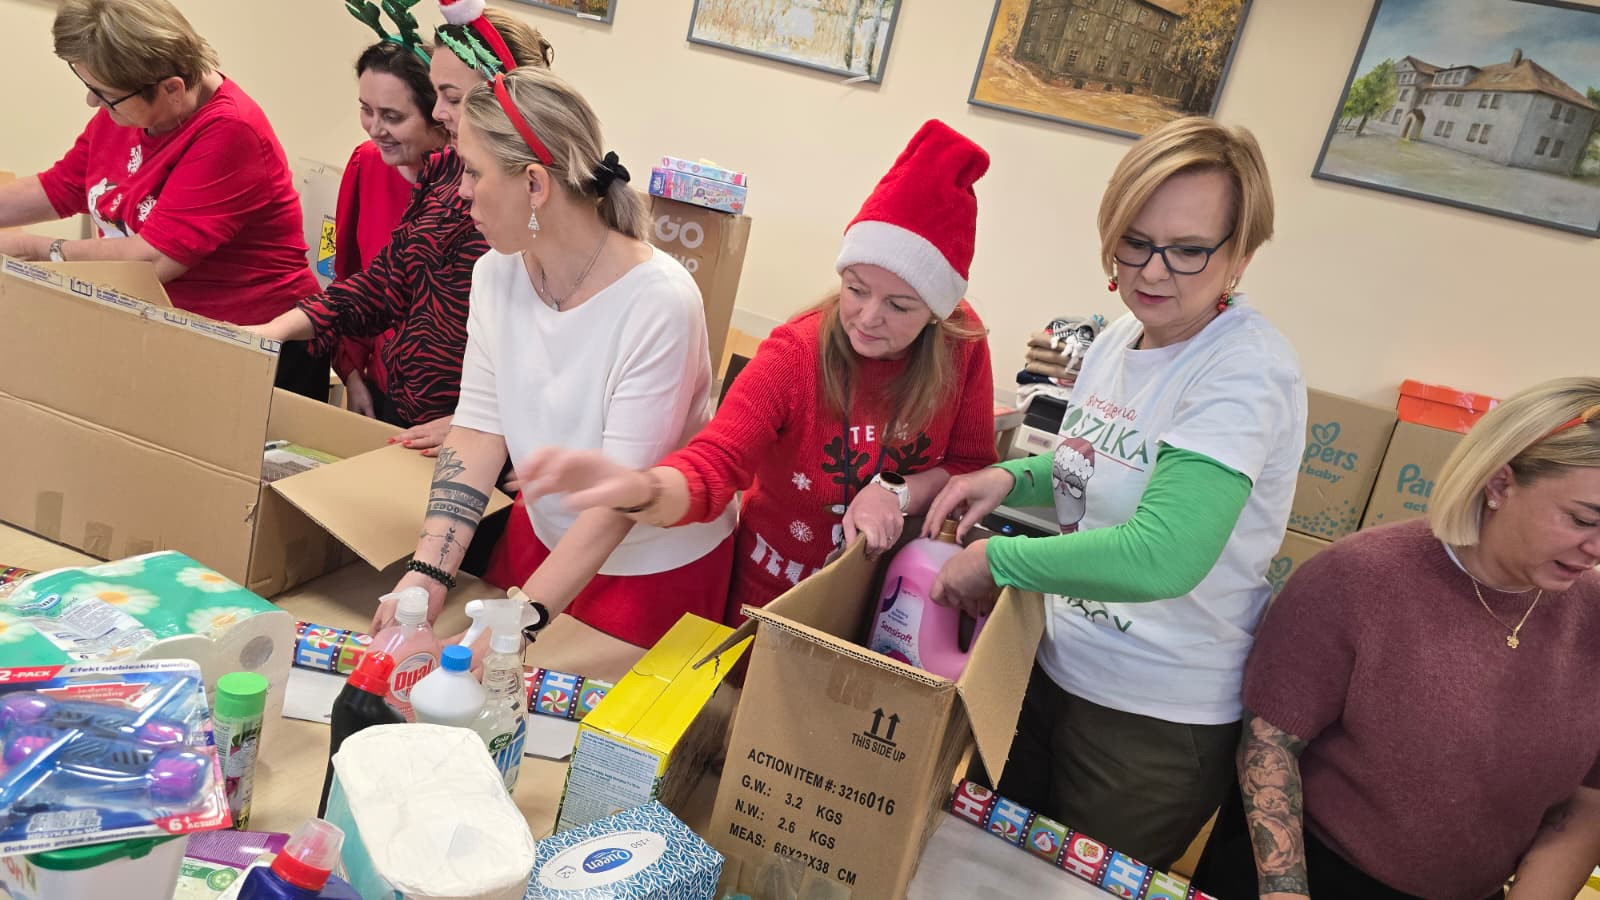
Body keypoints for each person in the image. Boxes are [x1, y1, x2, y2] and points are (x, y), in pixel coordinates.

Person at [922, 116, 1307, 871]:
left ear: (1242, 254)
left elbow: (1163, 554)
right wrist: (1009, 476)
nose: (1153, 272)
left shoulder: (1243, 371)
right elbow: (1095, 469)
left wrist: (999, 561)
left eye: (1189, 250)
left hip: (1152, 721)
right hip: (1054, 665)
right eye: (1134, 240)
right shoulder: (1120, 337)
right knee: (986, 870)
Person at [515, 119, 999, 621]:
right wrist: (644, 489)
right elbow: (717, 462)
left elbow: (971, 467)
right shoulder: (796, 354)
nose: (869, 317)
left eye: (900, 306)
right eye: (855, 289)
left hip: (891, 598)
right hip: (770, 592)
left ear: (938, 311)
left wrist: (895, 492)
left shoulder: (961, 345)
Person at [375, 66, 737, 652]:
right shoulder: (497, 270)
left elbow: (619, 500)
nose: (460, 190)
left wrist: (513, 625)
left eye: (473, 171)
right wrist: (430, 573)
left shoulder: (658, 303)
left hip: (646, 565)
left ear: (535, 185)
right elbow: (478, 428)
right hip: (545, 534)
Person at [1193, 379, 1600, 900]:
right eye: (1582, 519)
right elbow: (1268, 748)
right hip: (1310, 877)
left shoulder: (1591, 619)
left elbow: (1586, 803)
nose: (1595, 548)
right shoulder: (1357, 579)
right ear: (1499, 485)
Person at [250, 1, 553, 437]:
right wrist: (275, 330)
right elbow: (384, 282)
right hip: (415, 417)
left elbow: (548, 351)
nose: (438, 113)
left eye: (451, 98)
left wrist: (480, 426)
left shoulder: (535, 199)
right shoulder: (447, 170)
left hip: (478, 434)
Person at [0, 0, 326, 397]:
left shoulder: (230, 131)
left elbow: (153, 260)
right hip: (170, 333)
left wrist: (33, 250)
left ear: (171, 88)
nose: (93, 103)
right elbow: (63, 186)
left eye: (104, 94)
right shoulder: (129, 110)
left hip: (250, 347)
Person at [331, 38, 449, 418]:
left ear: (440, 115)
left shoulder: (472, 187)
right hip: (382, 387)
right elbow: (351, 276)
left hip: (450, 405)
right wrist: (351, 372)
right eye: (367, 111)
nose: (374, 129)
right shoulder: (367, 164)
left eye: (393, 117)